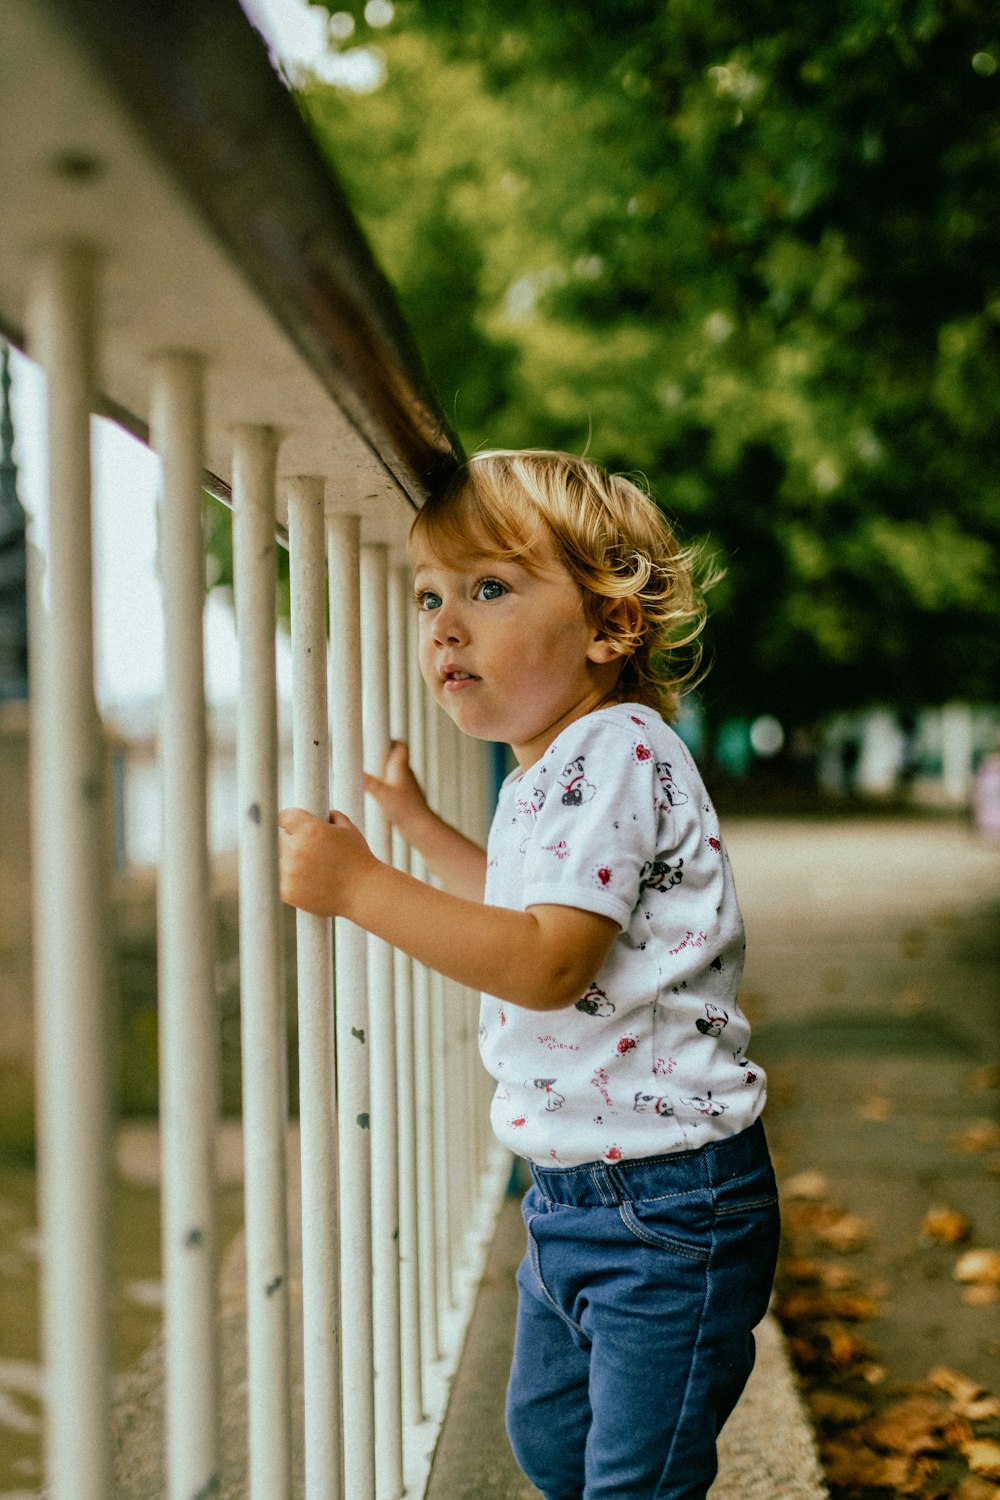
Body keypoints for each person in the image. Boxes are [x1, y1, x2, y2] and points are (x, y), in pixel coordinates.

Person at [278, 449, 779, 1500]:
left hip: (668, 1204)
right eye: (429, 597)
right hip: (575, 1195)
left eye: (489, 589)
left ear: (608, 627)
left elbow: (549, 962)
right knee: (550, 1440)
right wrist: (418, 831)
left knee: (634, 1479)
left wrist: (363, 888)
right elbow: (527, 907)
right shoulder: (554, 766)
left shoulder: (617, 751)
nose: (443, 626)